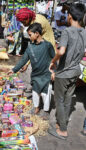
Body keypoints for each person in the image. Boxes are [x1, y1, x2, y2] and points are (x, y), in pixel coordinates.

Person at [48, 3, 86, 140]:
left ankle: (62, 130)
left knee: (59, 99)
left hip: (64, 72)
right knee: (68, 99)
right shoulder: (84, 31)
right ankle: (61, 123)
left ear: (69, 16)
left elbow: (61, 51)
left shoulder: (67, 31)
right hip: (76, 71)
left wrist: (53, 61)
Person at [8, 23, 55, 119]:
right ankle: (36, 108)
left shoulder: (47, 45)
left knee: (46, 93)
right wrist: (14, 70)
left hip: (46, 74)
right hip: (36, 74)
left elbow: (54, 59)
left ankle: (46, 111)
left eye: (30, 35)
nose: (29, 37)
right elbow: (23, 60)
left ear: (37, 33)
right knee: (35, 92)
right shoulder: (30, 47)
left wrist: (54, 71)